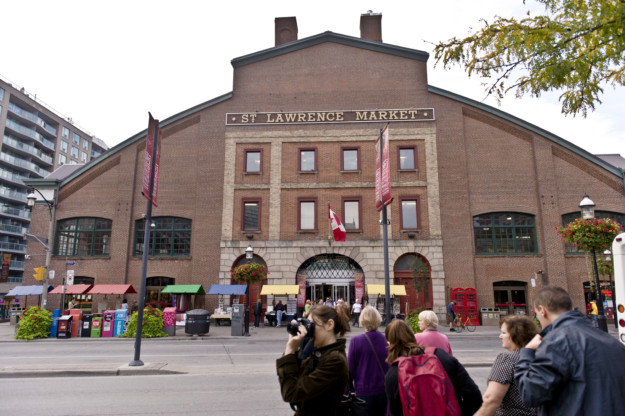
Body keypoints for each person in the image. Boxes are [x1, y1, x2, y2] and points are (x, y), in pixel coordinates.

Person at [514, 286, 625, 415]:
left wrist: (527, 352)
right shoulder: (612, 341)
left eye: (537, 314)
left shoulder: (557, 341)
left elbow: (531, 393)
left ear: (542, 310)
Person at [384, 319, 482, 416]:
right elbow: (475, 397)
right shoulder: (441, 356)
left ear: (389, 343)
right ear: (412, 336)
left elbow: (395, 411)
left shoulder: (393, 373)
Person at [277, 303, 351, 415]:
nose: (308, 330)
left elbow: (291, 392)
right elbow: (296, 377)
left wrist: (290, 351)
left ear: (329, 324)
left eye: (312, 325)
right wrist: (294, 351)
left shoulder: (335, 360)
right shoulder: (320, 353)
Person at [476, 315, 538, 416]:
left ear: (516, 335)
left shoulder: (508, 359)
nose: (500, 336)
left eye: (504, 333)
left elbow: (491, 399)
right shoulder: (542, 357)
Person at [347, 306, 389, 415]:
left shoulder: (356, 341)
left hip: (364, 391)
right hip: (383, 391)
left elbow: (349, 370)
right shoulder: (385, 340)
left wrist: (345, 393)